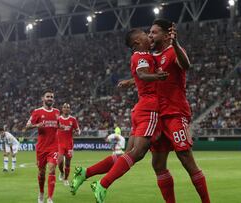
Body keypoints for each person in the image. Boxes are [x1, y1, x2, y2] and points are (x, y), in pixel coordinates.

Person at [70, 28, 168, 202]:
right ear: (137, 41)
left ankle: (85, 173)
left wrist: (130, 82)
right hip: (150, 108)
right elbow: (142, 74)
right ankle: (103, 184)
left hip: (140, 109)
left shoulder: (140, 56)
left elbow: (139, 76)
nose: (149, 36)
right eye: (145, 34)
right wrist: (158, 77)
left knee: (127, 153)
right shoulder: (142, 55)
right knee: (138, 153)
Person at [148, 19, 210, 203]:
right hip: (158, 117)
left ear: (167, 35)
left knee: (186, 159)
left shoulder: (173, 51)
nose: (150, 35)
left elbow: (187, 65)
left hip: (175, 113)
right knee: (158, 164)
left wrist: (175, 43)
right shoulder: (152, 57)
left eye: (154, 32)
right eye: (149, 32)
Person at [26, 89, 60, 203]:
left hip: (54, 147)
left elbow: (59, 125)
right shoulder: (37, 112)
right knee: (41, 173)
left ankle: (50, 198)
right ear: (43, 99)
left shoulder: (57, 112)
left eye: (51, 97)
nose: (50, 98)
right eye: (48, 96)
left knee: (51, 169)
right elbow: (27, 126)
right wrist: (37, 125)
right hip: (41, 148)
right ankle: (41, 192)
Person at [57, 103, 80, 186]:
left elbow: (78, 130)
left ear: (69, 109)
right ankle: (62, 172)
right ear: (62, 109)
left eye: (68, 107)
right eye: (64, 107)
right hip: (60, 143)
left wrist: (77, 133)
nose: (66, 109)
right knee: (59, 161)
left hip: (69, 144)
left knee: (67, 163)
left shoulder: (73, 119)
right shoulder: (58, 119)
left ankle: (66, 179)